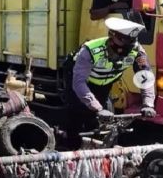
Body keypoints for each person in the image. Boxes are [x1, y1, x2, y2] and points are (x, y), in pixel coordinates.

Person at [65, 17, 156, 149]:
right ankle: (71, 148)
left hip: (105, 82)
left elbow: (145, 77)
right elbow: (79, 83)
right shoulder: (90, 50)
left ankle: (97, 149)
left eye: (126, 52)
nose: (121, 56)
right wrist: (97, 108)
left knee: (99, 120)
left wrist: (148, 104)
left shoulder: (137, 51)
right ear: (111, 39)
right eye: (119, 51)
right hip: (79, 78)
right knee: (77, 112)